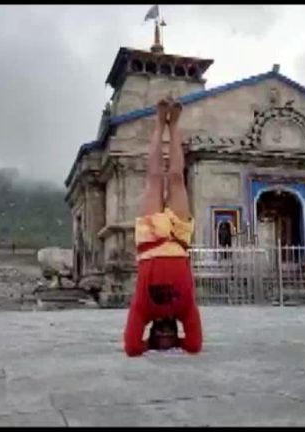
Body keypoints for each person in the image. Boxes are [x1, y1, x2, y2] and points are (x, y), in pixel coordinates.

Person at [123, 96, 203, 357]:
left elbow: (132, 347)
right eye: (172, 337)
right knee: (177, 179)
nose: (168, 336)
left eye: (163, 338)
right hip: (178, 241)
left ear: (154, 333)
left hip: (150, 242)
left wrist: (150, 345)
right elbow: (194, 345)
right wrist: (179, 342)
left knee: (155, 178)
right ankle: (175, 126)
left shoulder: (143, 310)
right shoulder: (185, 309)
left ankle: (160, 124)